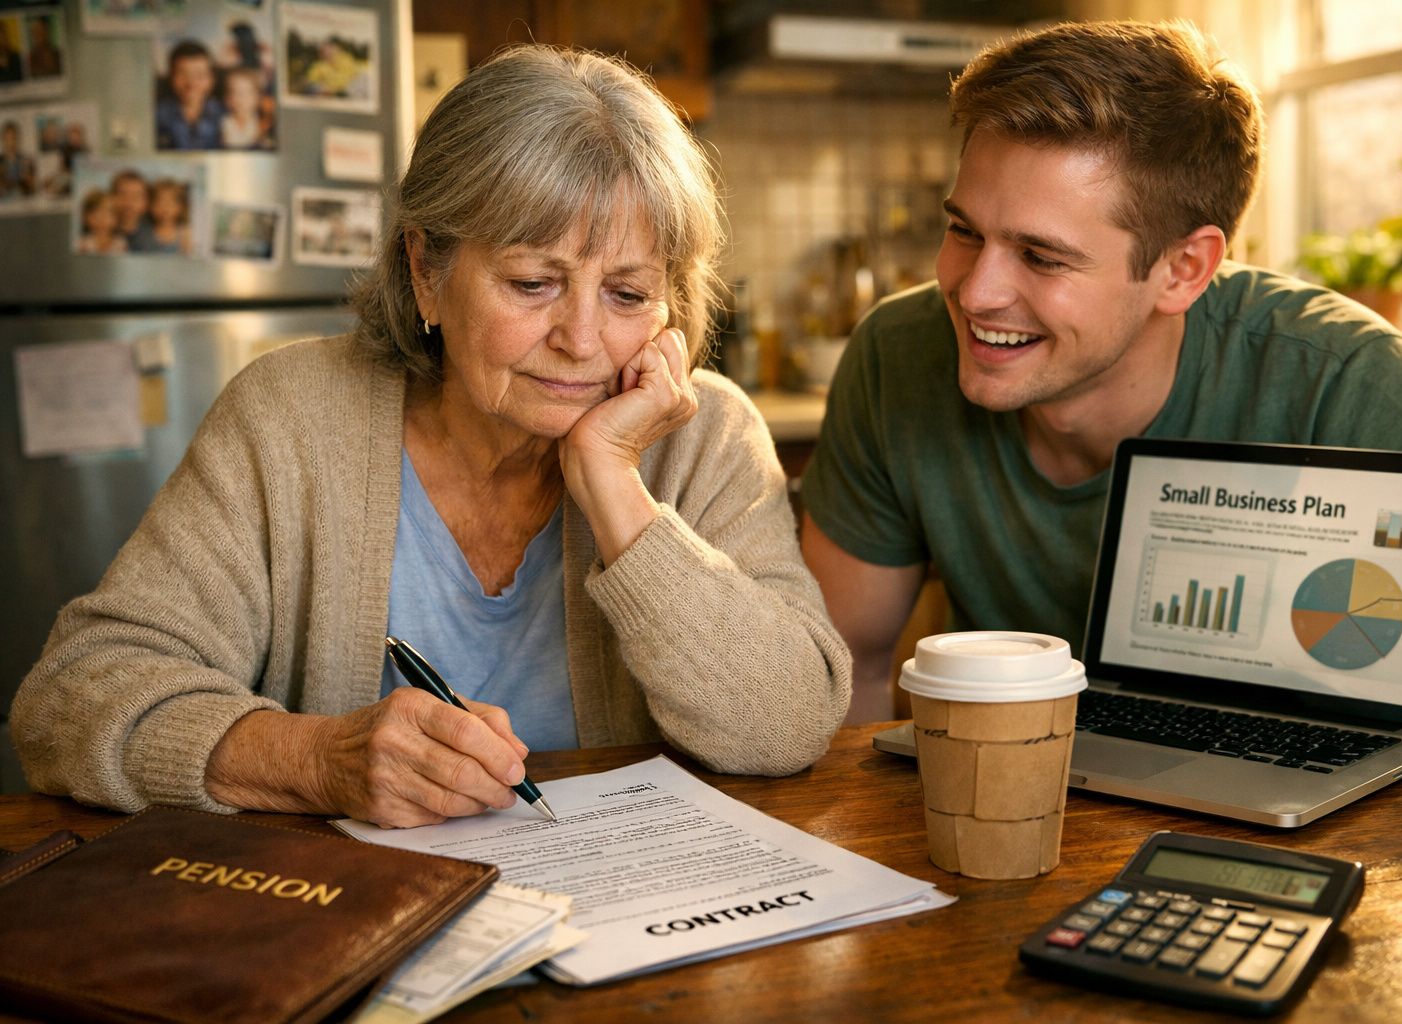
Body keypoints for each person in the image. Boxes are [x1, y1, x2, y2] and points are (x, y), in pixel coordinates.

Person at [13, 44, 851, 828]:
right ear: (426, 271)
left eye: (628, 295)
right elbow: (72, 696)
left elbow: (786, 725)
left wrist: (611, 481)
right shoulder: (290, 418)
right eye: (532, 282)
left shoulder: (707, 436)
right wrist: (317, 759)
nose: (583, 340)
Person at [799, 19, 1402, 729]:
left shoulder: (1337, 376)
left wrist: (1297, 657)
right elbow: (847, 672)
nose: (973, 291)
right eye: (964, 231)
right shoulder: (896, 353)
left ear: (1184, 269)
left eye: (1042, 257)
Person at [155, 40, 223, 150]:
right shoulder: (156, 117)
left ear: (212, 79)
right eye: (183, 75)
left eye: (200, 75)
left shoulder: (225, 115)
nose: (191, 84)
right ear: (171, 77)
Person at [219, 66, 271, 149]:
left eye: (247, 93)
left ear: (257, 97)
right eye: (236, 92)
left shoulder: (263, 124)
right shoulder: (222, 123)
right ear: (227, 98)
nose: (241, 99)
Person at [109, 168, 156, 251]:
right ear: (111, 197)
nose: (129, 202)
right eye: (122, 194)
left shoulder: (156, 233)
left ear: (146, 202)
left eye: (136, 196)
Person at [141, 177, 191, 254]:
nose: (165, 208)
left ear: (180, 207)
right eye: (159, 202)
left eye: (170, 203)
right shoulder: (144, 232)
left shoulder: (185, 233)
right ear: (150, 206)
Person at [77, 188, 126, 254]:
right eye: (96, 212)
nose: (103, 218)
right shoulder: (81, 244)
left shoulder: (121, 244)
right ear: (86, 216)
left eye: (109, 212)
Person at [0, 120, 33, 198]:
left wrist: (27, 177)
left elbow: (32, 188)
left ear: (18, 139)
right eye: (7, 138)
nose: (10, 142)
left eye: (13, 138)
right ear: (3, 140)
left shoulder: (26, 160)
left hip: (23, 204)